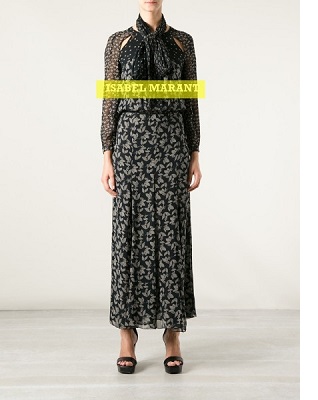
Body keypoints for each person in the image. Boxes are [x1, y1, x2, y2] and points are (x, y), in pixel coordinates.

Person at [99, 0, 202, 374]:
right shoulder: (118, 41)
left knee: (171, 236)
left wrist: (195, 151)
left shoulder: (183, 42)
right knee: (129, 236)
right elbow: (110, 100)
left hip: (172, 147)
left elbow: (190, 100)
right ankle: (127, 335)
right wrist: (107, 154)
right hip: (130, 147)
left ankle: (172, 335)